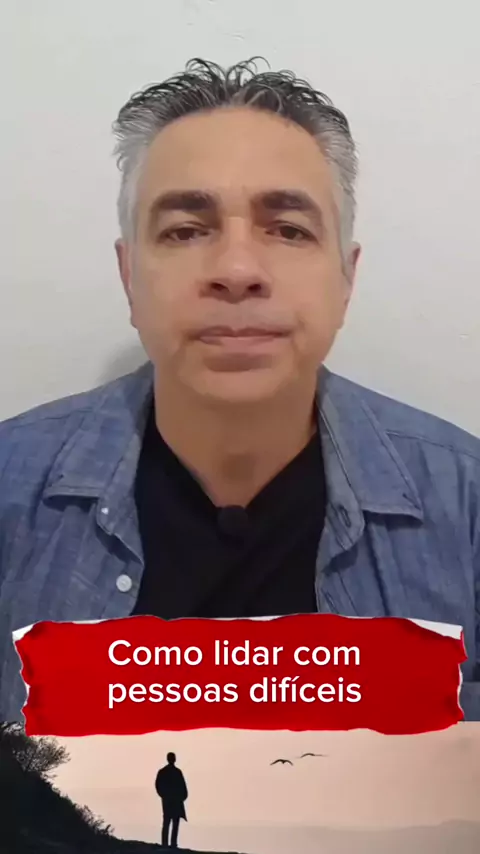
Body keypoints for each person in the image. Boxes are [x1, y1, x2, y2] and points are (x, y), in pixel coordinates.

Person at [0, 58, 479, 723]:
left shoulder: (467, 503)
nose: (236, 269)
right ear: (129, 276)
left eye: (288, 230)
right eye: (185, 230)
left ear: (346, 279)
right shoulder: (10, 490)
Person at [155, 752, 188, 849]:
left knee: (167, 822)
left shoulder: (163, 772)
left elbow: (158, 786)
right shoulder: (177, 772)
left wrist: (164, 796)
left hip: (169, 801)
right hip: (174, 801)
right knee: (173, 823)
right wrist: (181, 798)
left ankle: (165, 844)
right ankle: (172, 844)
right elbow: (183, 788)